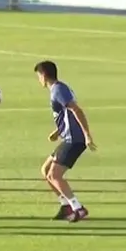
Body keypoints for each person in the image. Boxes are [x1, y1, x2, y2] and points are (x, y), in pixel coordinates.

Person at [33, 61, 93, 222]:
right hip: (68, 136)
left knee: (54, 175)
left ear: (44, 75)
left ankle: (78, 208)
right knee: (46, 170)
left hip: (74, 140)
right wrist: (57, 131)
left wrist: (87, 135)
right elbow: (67, 116)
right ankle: (66, 206)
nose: (38, 79)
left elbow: (76, 110)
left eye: (38, 76)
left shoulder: (58, 90)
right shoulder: (59, 88)